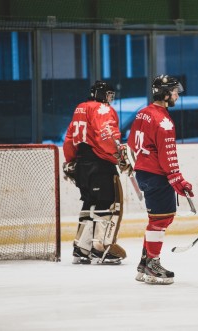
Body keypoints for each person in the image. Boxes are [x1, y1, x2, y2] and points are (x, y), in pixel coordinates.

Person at [127, 74, 194, 285]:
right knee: (160, 220)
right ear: (165, 94)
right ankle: (153, 265)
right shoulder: (163, 120)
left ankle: (144, 263)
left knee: (155, 219)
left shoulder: (143, 113)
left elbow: (130, 144)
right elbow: (168, 155)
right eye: (174, 91)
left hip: (143, 173)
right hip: (157, 175)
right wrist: (178, 180)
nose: (176, 95)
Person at [63, 80, 129, 265]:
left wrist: (70, 161)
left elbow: (69, 138)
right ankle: (101, 248)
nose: (110, 99)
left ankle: (81, 247)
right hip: (100, 164)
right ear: (101, 94)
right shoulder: (101, 109)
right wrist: (118, 157)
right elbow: (107, 135)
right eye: (108, 95)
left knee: (90, 203)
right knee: (109, 204)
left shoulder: (80, 108)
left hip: (82, 164)